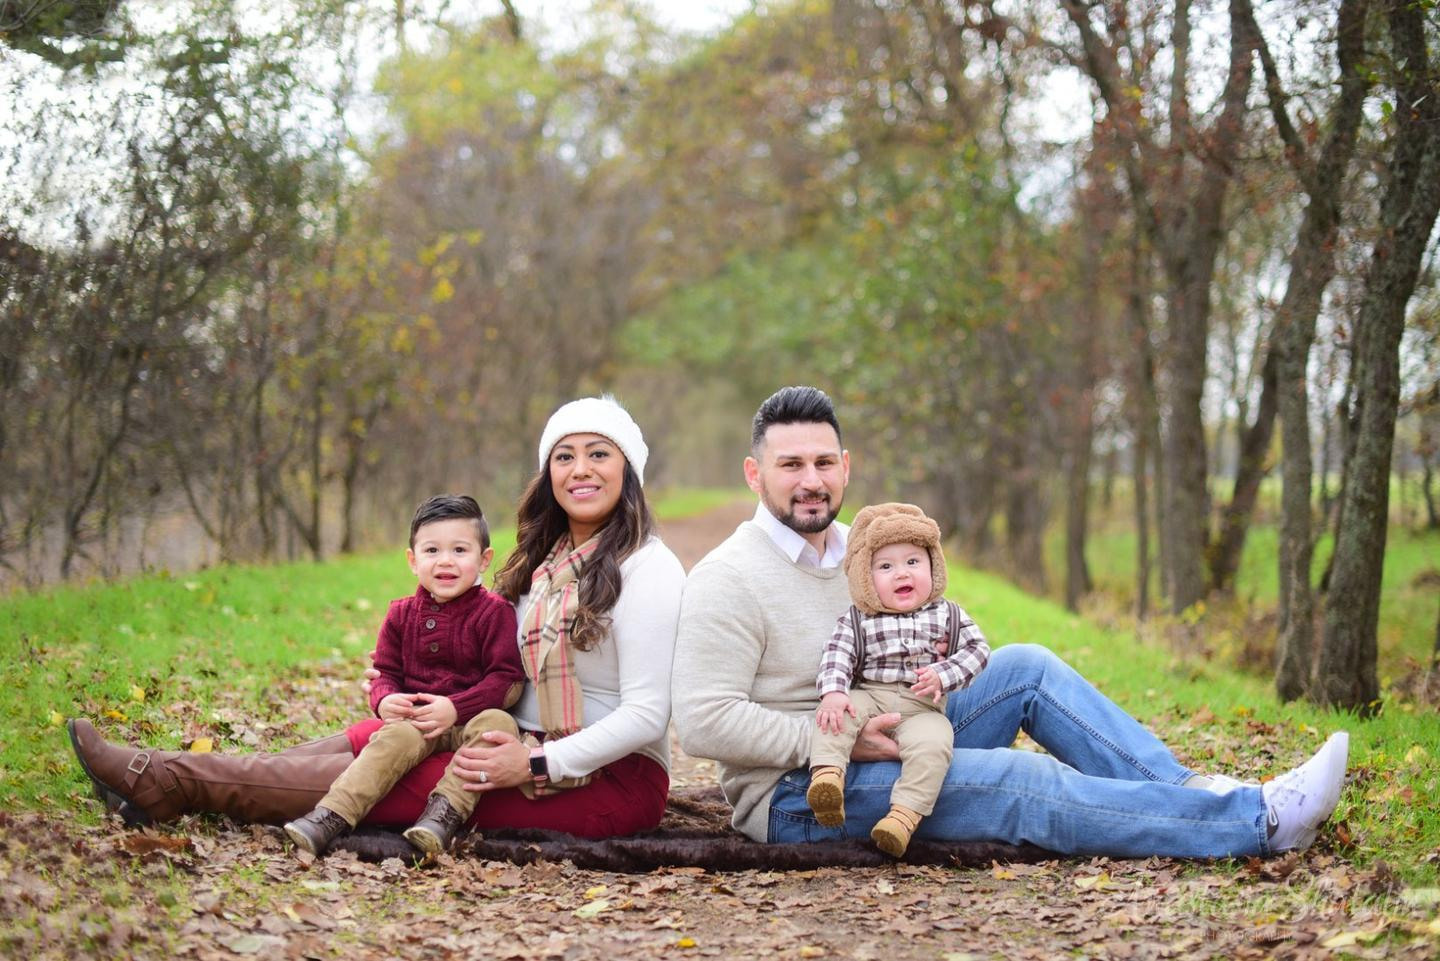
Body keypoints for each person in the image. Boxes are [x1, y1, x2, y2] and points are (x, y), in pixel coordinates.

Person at [671, 385, 1350, 859]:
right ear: (755, 473)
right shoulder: (728, 577)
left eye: (823, 462)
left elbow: (932, 634)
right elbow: (702, 720)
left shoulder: (865, 553)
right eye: (790, 465)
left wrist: (936, 679)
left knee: (1026, 667)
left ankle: (1191, 790)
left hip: (901, 727)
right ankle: (1257, 821)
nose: (809, 479)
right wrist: (841, 740)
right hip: (802, 794)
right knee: (1015, 782)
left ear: (846, 467)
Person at [69, 396, 687, 844]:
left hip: (604, 778)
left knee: (365, 778)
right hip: (505, 737)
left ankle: (165, 780)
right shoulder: (546, 562)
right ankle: (168, 777)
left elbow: (646, 716)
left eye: (598, 454)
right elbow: (500, 665)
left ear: (627, 469)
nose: (580, 470)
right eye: (564, 456)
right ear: (547, 473)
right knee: (367, 738)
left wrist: (530, 764)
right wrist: (428, 704)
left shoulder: (650, 569)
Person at [282, 494, 526, 856]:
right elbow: (385, 673)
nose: (445, 561)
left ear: (483, 559)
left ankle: (442, 815)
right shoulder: (400, 614)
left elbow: (505, 679)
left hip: (472, 717)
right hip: (418, 720)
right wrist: (384, 699)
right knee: (392, 737)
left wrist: (456, 708)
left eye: (460, 550)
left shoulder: (494, 612)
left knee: (498, 725)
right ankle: (332, 814)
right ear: (413, 560)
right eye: (431, 551)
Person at [807, 501, 989, 858]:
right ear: (865, 577)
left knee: (935, 744)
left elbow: (978, 650)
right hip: (870, 696)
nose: (902, 574)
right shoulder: (859, 618)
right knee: (836, 716)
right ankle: (827, 776)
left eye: (913, 562)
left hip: (922, 707)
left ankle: (903, 817)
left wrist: (943, 673)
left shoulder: (948, 614)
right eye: (886, 566)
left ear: (933, 566)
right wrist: (833, 692)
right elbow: (837, 655)